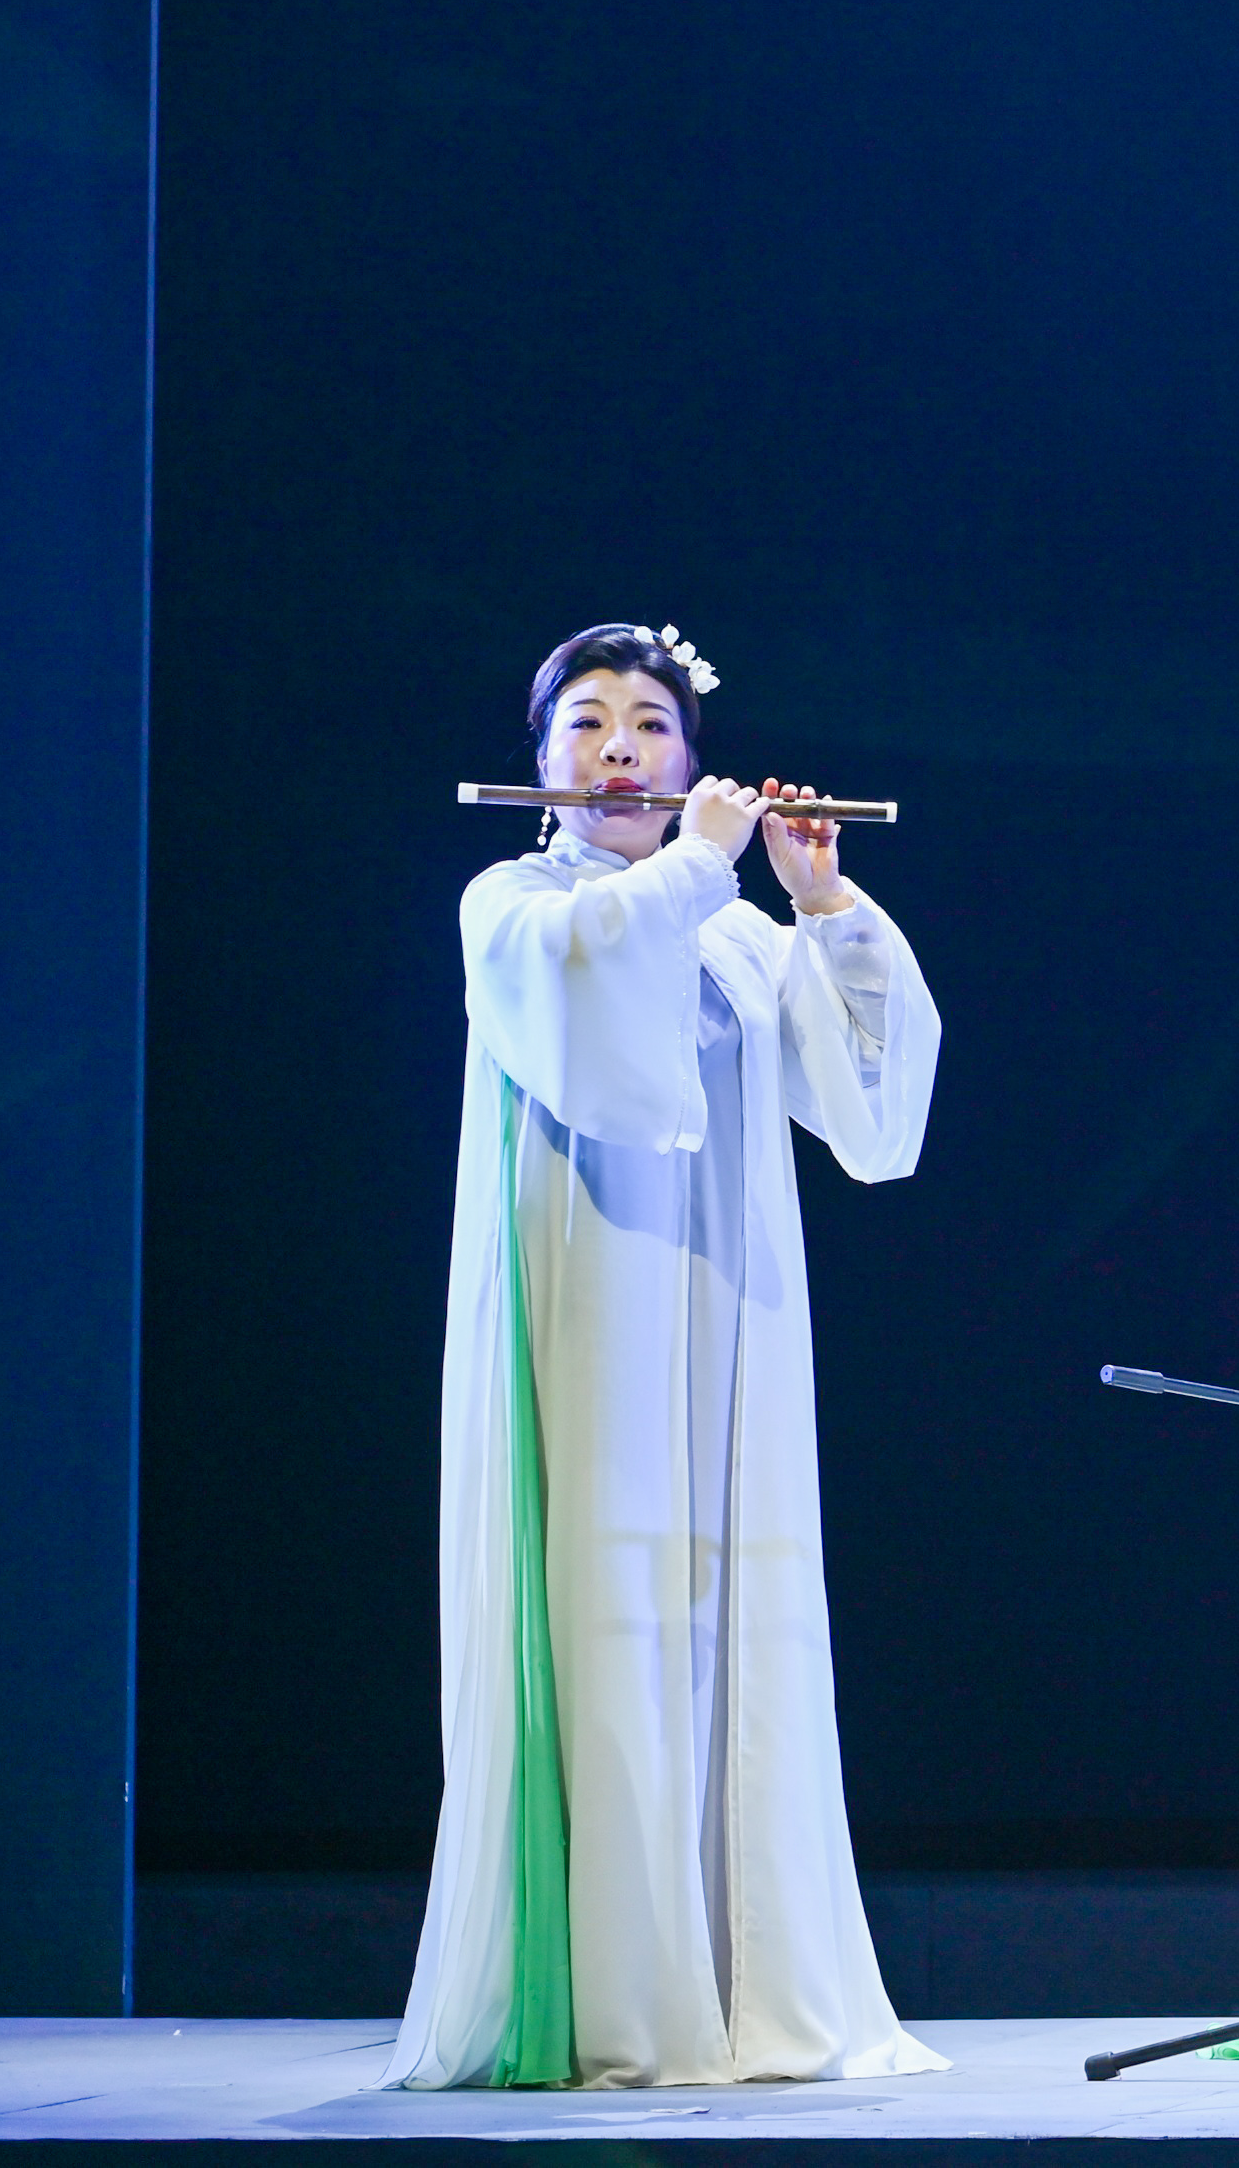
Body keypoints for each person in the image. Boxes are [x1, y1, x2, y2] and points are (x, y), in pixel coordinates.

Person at [391, 625, 941, 2091]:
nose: (621, 746)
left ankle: (754, 1990)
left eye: (650, 722)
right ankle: (621, 2003)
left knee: (737, 1613)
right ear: (544, 760)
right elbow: (596, 1025)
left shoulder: (741, 935)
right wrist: (698, 860)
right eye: (587, 722)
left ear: (696, 762)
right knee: (612, 1607)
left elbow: (873, 1119)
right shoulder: (515, 902)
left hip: (737, 1314)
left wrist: (820, 903)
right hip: (593, 1304)